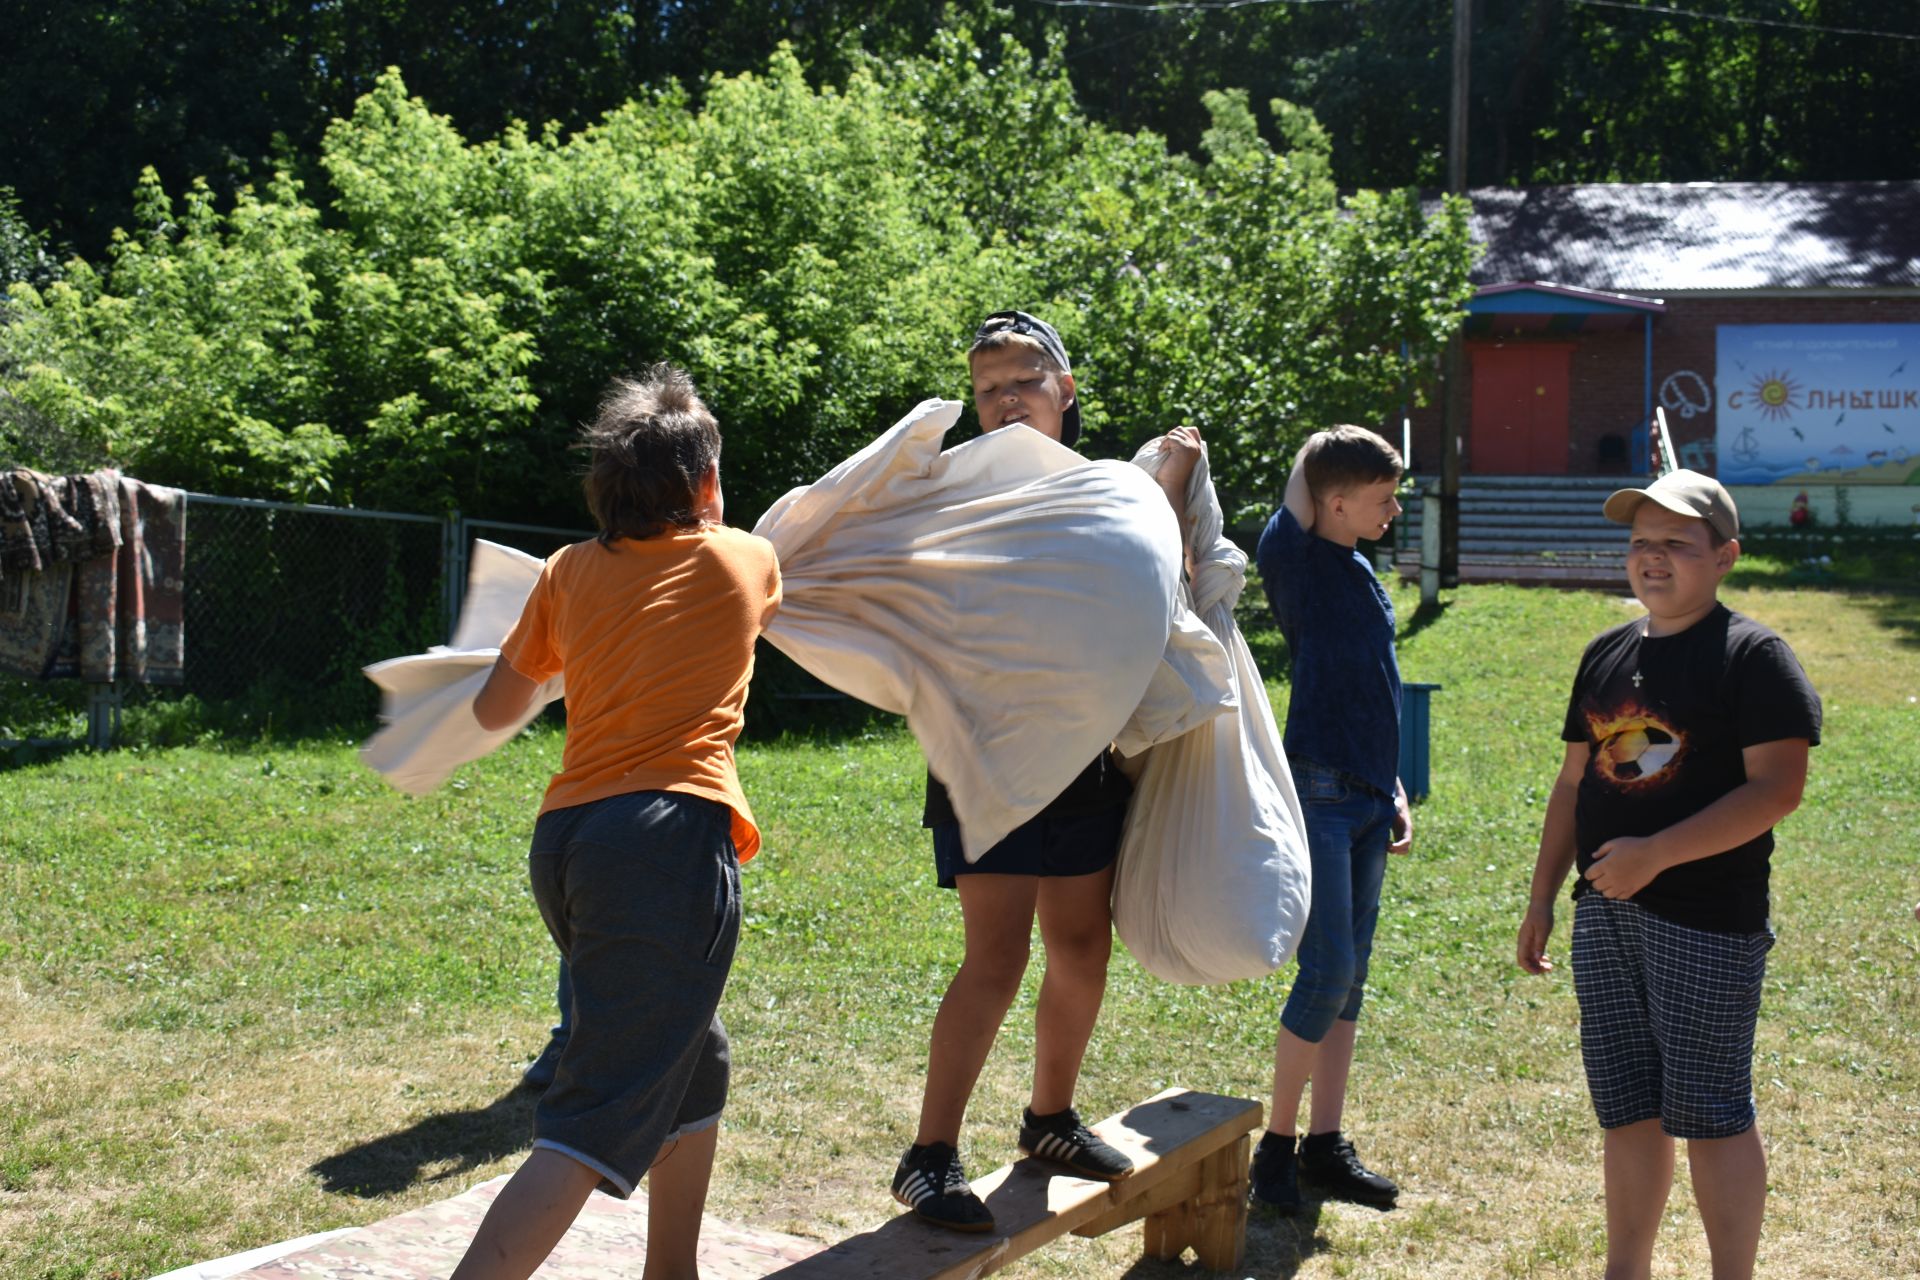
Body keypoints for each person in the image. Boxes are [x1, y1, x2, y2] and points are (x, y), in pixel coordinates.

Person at [450, 365, 782, 1280]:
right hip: (665, 842)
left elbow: (490, 712)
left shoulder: (567, 570)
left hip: (567, 844)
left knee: (692, 1060)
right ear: (706, 486)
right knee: (594, 1114)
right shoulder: (742, 559)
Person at [891, 310, 1203, 1233]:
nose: (1005, 400)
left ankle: (1050, 1121)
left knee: (1081, 947)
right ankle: (929, 1158)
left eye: (1024, 381)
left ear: (1067, 391)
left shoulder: (1111, 490)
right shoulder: (952, 489)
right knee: (995, 958)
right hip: (985, 757)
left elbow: (1169, 594)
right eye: (988, 388)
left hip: (1087, 758)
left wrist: (1173, 487)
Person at [1516, 469, 1819, 1280]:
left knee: (1713, 1114)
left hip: (1706, 921)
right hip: (1606, 919)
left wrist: (1657, 855)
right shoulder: (1606, 653)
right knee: (1628, 1110)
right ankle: (1627, 1270)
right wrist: (1544, 895)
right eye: (1641, 543)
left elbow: (1777, 789)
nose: (1653, 559)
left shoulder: (1753, 657)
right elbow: (1575, 784)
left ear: (1724, 557)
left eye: (1676, 545)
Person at [1249, 426, 1412, 1214]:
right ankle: (1275, 1150)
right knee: (1329, 971)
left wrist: (1396, 788)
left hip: (1369, 796)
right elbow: (1292, 498)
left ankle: (1325, 1146)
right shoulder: (1301, 564)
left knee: (1350, 984)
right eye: (1382, 499)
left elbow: (1375, 687)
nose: (1393, 511)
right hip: (1317, 788)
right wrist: (1318, 444)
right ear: (1335, 501)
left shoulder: (1358, 568)